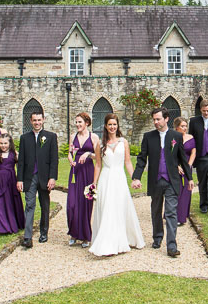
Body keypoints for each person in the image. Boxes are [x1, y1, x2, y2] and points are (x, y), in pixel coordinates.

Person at [131, 107, 192, 257]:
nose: (155, 122)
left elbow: (183, 159)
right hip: (156, 180)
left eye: (158, 119)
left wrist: (190, 178)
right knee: (156, 211)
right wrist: (136, 177)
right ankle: (157, 237)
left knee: (171, 212)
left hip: (172, 180)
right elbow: (141, 158)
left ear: (166, 119)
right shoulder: (148, 137)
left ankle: (172, 246)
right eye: (154, 119)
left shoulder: (176, 136)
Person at [88, 113, 145, 256]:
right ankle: (107, 243)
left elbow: (127, 162)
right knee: (107, 208)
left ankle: (123, 239)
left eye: (114, 124)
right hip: (106, 179)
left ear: (117, 126)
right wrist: (94, 183)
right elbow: (98, 166)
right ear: (105, 126)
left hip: (119, 179)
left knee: (120, 207)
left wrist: (134, 178)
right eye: (110, 124)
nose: (112, 127)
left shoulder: (123, 142)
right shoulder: (100, 144)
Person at [16, 110, 58, 248]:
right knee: (29, 205)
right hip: (29, 177)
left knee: (45, 205)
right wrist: (19, 179)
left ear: (43, 120)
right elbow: (21, 161)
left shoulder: (51, 137)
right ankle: (27, 237)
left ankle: (44, 232)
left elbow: (54, 160)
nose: (37, 123)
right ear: (30, 121)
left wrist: (52, 177)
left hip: (44, 177)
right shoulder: (24, 138)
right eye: (34, 120)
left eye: (39, 120)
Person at [67, 112, 97, 247]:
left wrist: (88, 153)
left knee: (86, 203)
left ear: (87, 123)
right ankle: (73, 232)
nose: (77, 124)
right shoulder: (73, 136)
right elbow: (69, 152)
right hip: (75, 172)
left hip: (88, 172)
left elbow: (99, 156)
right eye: (76, 122)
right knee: (72, 204)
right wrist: (70, 160)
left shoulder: (94, 137)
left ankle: (85, 236)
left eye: (80, 122)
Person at [0, 132, 25, 236]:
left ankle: (10, 224)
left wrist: (20, 181)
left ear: (10, 143)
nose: (3, 146)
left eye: (5, 143)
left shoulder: (15, 154)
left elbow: (19, 168)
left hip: (10, 181)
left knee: (8, 203)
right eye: (1, 143)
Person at [173, 117, 196, 225]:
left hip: (187, 165)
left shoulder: (190, 137)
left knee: (187, 190)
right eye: (182, 126)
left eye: (186, 126)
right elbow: (170, 154)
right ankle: (174, 215)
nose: (185, 128)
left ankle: (182, 216)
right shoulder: (172, 138)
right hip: (175, 166)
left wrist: (189, 166)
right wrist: (177, 166)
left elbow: (193, 152)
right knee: (177, 190)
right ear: (177, 127)